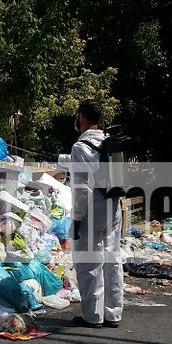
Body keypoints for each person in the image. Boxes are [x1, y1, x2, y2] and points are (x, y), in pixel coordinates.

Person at [64, 100, 123, 328]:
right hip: (113, 206)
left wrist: (77, 219)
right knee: (111, 259)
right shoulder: (109, 142)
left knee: (89, 263)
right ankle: (113, 313)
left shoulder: (81, 148)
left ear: (81, 117)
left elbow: (81, 189)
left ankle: (92, 316)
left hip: (92, 208)